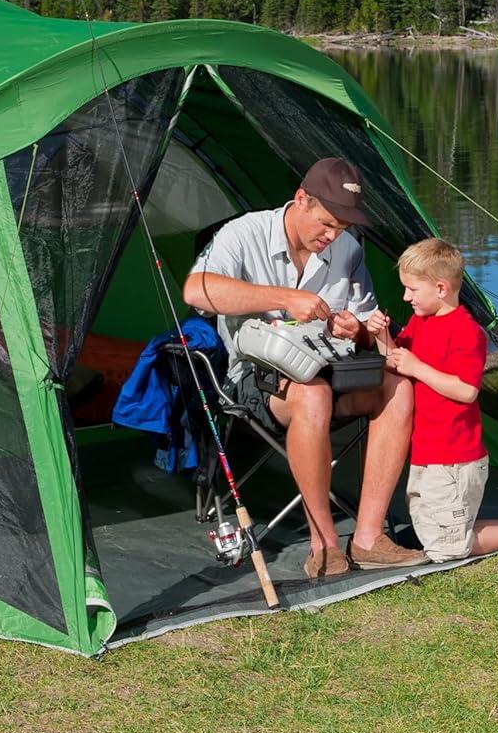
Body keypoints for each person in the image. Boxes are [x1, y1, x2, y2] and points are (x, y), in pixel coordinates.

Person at [182, 157, 426, 580]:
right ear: (301, 200)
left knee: (398, 385)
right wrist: (283, 297)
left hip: (333, 367)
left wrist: (359, 332)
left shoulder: (346, 249)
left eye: (343, 229)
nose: (332, 237)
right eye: (327, 224)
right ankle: (325, 545)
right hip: (256, 380)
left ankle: (369, 538)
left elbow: (367, 323)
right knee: (312, 394)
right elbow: (196, 291)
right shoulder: (244, 234)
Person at [365, 238, 498, 561]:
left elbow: (466, 390)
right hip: (426, 451)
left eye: (412, 289)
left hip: (454, 458)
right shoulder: (420, 322)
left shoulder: (465, 331)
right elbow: (398, 359)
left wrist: (418, 367)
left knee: (445, 549)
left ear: (440, 288)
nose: (405, 297)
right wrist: (380, 337)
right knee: (430, 530)